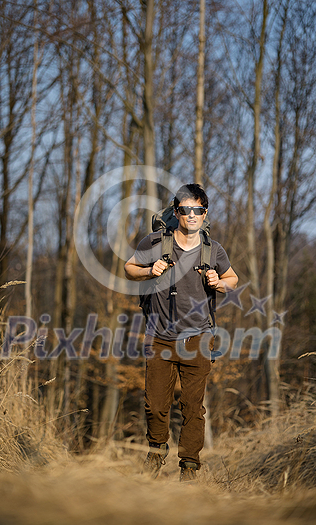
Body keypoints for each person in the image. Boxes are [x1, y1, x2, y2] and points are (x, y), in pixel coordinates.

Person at [124, 184, 238, 482]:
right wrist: (150, 271)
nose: (192, 215)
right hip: (159, 336)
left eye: (198, 210)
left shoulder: (213, 249)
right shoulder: (156, 242)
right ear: (176, 212)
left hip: (197, 339)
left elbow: (232, 278)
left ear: (205, 214)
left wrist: (219, 281)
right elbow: (129, 268)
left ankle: (189, 466)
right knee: (155, 404)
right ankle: (157, 450)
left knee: (192, 407)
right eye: (185, 209)